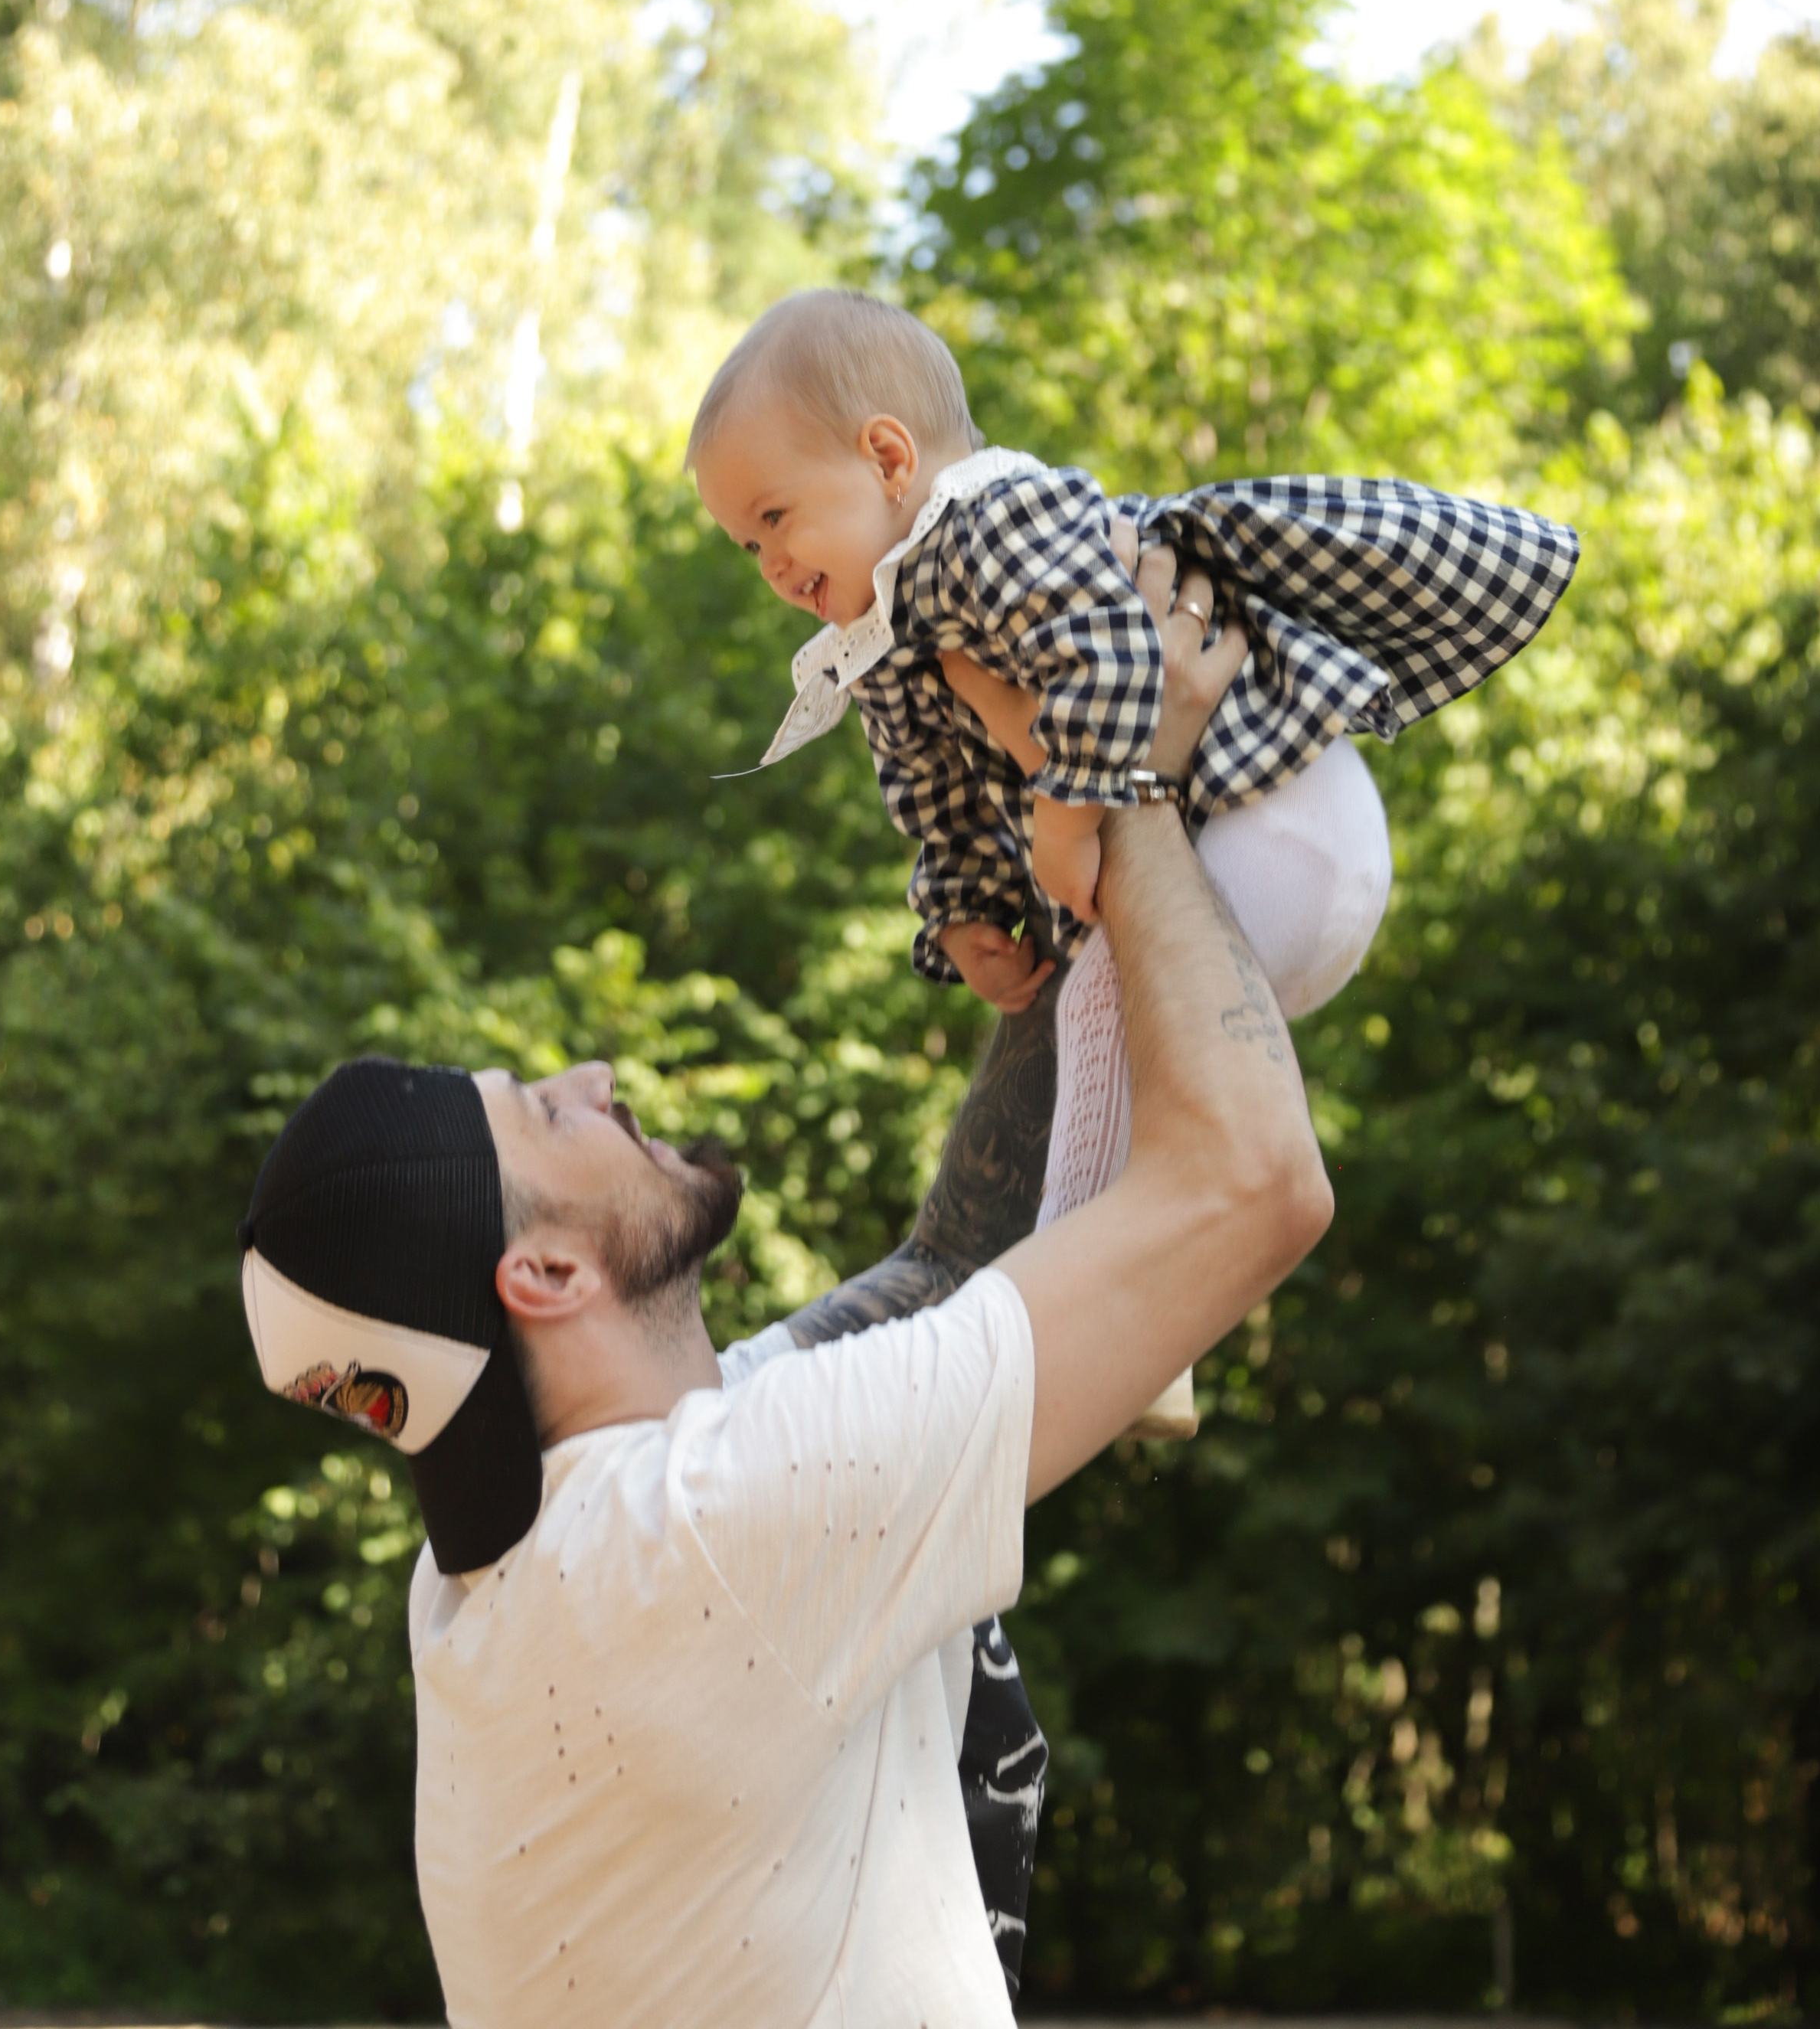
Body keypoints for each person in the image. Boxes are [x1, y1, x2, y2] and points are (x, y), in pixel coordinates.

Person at [238, 552, 1334, 2029]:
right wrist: (1123, 778)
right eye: (546, 1114)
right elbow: (1258, 1184)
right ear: (545, 1273)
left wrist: (1058, 895)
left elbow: (953, 1267)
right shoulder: (717, 1534)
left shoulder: (523, 1564)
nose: (596, 1079)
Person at [686, 288, 1578, 1010]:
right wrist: (963, 913)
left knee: (1122, 1139)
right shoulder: (883, 640)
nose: (770, 565)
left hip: (1265, 813)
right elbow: (937, 797)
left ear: (887, 459)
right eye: (748, 545)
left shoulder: (988, 524)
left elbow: (1106, 650)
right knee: (1102, 1099)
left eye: (775, 518)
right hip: (1174, 896)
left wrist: (1066, 822)